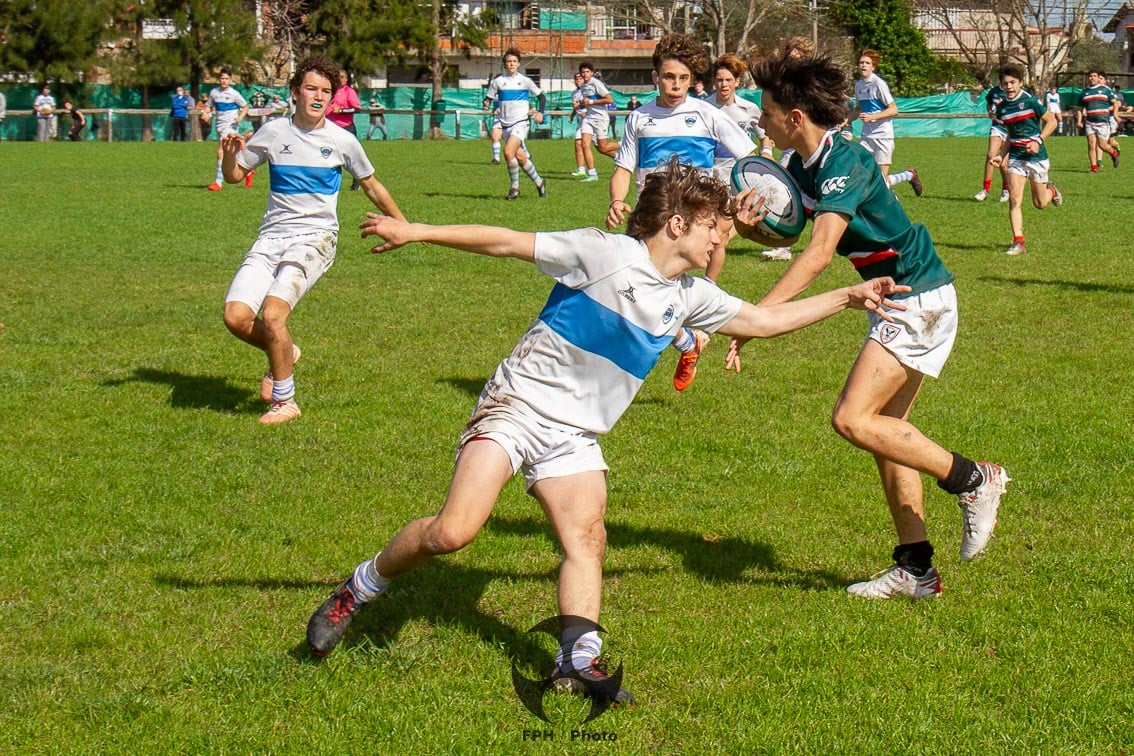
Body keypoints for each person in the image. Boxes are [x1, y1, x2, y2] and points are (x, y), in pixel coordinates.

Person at [304, 157, 909, 703]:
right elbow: (508, 241)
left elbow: (766, 320)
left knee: (586, 539)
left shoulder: (691, 295)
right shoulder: (604, 253)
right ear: (676, 225)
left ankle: (580, 661)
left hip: (575, 435)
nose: (720, 237)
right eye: (710, 228)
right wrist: (416, 230)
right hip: (518, 406)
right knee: (454, 532)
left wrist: (846, 298)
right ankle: (360, 587)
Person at [730, 52, 1010, 600]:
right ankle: (916, 569)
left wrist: (757, 319)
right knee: (887, 433)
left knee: (853, 420)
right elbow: (789, 235)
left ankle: (974, 478)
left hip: (916, 294)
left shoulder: (845, 161)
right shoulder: (799, 167)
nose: (759, 122)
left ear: (795, 118)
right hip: (894, 297)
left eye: (766, 113)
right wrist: (749, 228)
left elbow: (816, 256)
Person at [219, 55, 406, 425]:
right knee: (235, 317)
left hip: (315, 238)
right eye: (311, 88)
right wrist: (228, 157)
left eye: (326, 91)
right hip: (271, 238)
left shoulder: (342, 140)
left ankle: (285, 402)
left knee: (273, 314)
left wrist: (405, 225)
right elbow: (235, 176)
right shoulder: (272, 132)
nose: (319, 96)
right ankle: (285, 349)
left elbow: (371, 184)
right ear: (295, 92)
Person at [606, 33, 755, 390]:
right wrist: (616, 201)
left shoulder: (706, 114)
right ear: (656, 76)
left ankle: (693, 331)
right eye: (669, 77)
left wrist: (747, 195)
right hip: (650, 215)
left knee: (652, 290)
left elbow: (749, 156)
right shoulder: (639, 118)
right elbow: (624, 168)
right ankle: (688, 342)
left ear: (693, 79)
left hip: (692, 220)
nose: (676, 85)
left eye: (684, 78)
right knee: (634, 290)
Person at [992, 64, 1062, 256]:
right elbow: (1009, 135)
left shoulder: (1031, 101)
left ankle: (1052, 191)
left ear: (1020, 83)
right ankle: (1018, 242)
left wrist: (1038, 141)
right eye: (1005, 83)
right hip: (1016, 158)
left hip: (1036, 157)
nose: (1009, 87)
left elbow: (1052, 121)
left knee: (1040, 204)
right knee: (1014, 200)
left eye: (1013, 82)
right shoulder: (1003, 107)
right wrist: (1001, 155)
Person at [762, 36, 817, 263]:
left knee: (813, 197)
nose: (793, 61)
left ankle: (820, 243)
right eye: (791, 57)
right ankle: (783, 245)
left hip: (810, 147)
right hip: (790, 145)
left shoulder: (812, 83)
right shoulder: (781, 84)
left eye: (798, 57)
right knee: (786, 191)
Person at [849, 50, 922, 196]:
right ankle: (908, 175)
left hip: (883, 136)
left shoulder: (879, 84)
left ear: (873, 67)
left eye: (867, 63)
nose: (863, 65)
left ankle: (908, 176)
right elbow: (858, 109)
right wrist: (844, 121)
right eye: (861, 63)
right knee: (861, 171)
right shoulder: (858, 85)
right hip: (866, 137)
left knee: (881, 182)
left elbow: (894, 110)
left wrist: (872, 117)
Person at [483, 48, 547, 200]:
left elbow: (541, 97)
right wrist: (486, 103)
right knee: (521, 158)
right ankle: (539, 182)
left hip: (521, 123)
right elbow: (488, 98)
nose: (511, 64)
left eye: (514, 61)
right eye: (508, 61)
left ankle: (515, 187)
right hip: (505, 124)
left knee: (507, 152)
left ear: (518, 64)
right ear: (504, 64)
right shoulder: (498, 82)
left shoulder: (525, 81)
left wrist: (540, 112)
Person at [206, 68, 250, 191]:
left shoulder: (234, 93)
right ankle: (248, 169)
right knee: (232, 151)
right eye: (222, 78)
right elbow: (209, 106)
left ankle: (218, 182)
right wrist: (205, 113)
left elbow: (245, 106)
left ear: (230, 80)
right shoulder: (214, 92)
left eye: (226, 79)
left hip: (231, 124)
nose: (224, 81)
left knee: (221, 150)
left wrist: (239, 118)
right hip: (219, 125)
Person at [577, 62, 620, 181]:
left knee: (603, 148)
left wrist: (591, 102)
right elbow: (587, 101)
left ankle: (622, 146)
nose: (585, 74)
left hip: (601, 118)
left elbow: (609, 99)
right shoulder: (583, 86)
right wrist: (581, 105)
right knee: (584, 143)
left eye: (587, 72)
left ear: (591, 73)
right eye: (583, 72)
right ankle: (592, 174)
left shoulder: (596, 83)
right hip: (588, 118)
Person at [1076, 70, 1120, 173]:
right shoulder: (1084, 92)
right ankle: (1094, 167)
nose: (1092, 78)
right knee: (1091, 144)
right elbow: (1079, 108)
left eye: (1094, 76)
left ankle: (1113, 153)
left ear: (1097, 77)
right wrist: (1079, 121)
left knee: (1102, 145)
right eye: (1090, 76)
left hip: (1103, 121)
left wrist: (1115, 114)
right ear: (1088, 78)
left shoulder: (1105, 90)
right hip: (1090, 122)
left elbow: (1115, 103)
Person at [974, 82, 1010, 202]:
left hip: (1010, 130)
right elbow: (989, 102)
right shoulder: (994, 91)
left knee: (1004, 164)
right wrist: (990, 112)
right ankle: (985, 190)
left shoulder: (1015, 91)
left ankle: (1006, 189)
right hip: (997, 127)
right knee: (991, 155)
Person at [328, 69, 362, 189]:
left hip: (346, 127)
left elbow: (357, 109)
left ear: (346, 79)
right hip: (329, 127)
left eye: (342, 77)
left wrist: (341, 111)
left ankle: (357, 180)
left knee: (351, 156)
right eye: (337, 76)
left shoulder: (349, 91)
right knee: (328, 155)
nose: (340, 79)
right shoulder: (329, 91)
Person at [569, 72, 588, 176]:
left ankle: (617, 156)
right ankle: (581, 169)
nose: (578, 81)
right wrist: (572, 115)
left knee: (602, 148)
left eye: (580, 79)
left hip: (590, 121)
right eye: (576, 79)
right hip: (581, 122)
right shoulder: (574, 93)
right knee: (578, 144)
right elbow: (576, 106)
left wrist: (587, 113)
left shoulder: (588, 91)